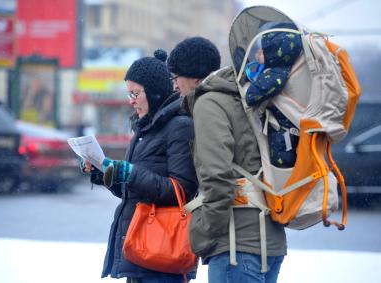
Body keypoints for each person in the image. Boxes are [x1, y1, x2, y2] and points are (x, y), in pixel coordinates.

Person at [168, 37, 287, 282]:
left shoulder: (209, 102)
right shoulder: (243, 94)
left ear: (193, 76)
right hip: (270, 239)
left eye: (176, 76)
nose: (175, 85)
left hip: (236, 246)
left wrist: (204, 231)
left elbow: (217, 176)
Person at [82, 49, 198, 282]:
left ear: (154, 93)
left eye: (135, 93)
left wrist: (131, 173)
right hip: (139, 248)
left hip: (163, 251)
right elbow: (134, 192)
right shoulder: (144, 129)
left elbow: (182, 191)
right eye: (128, 94)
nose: (131, 101)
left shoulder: (180, 126)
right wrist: (103, 173)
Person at [245, 22, 302, 168]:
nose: (257, 53)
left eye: (263, 50)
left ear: (275, 51)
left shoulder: (276, 73)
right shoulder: (288, 67)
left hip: (283, 136)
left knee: (281, 172)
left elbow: (251, 96)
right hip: (288, 132)